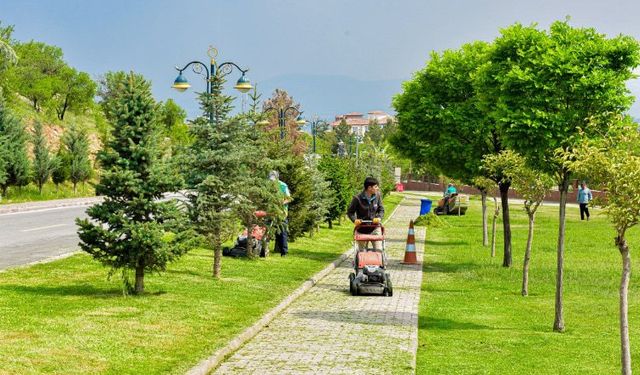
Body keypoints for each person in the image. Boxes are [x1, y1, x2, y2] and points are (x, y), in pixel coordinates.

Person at [347, 177, 385, 251]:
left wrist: (379, 217)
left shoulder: (377, 196)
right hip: (362, 229)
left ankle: (378, 261)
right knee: (361, 252)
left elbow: (381, 209)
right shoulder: (357, 198)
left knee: (379, 250)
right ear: (369, 188)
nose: (378, 188)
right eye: (376, 186)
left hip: (375, 228)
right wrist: (355, 220)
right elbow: (350, 212)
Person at [269, 170, 292, 256]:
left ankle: (284, 252)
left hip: (282, 212)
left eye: (273, 179)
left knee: (282, 232)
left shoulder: (283, 186)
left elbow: (289, 198)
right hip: (271, 212)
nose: (272, 182)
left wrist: (281, 203)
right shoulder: (268, 185)